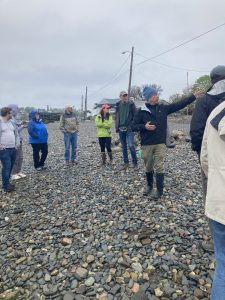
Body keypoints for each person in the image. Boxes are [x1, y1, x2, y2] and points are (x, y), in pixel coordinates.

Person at [133, 86, 202, 199]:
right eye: (155, 95)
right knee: (148, 166)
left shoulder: (163, 108)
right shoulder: (141, 111)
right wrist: (144, 127)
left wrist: (194, 96)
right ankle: (149, 185)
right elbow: (133, 126)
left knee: (159, 166)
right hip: (146, 144)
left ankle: (159, 191)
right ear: (149, 97)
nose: (157, 96)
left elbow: (179, 104)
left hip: (160, 143)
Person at [190, 65, 225, 251]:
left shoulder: (205, 101)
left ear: (213, 80)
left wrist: (199, 151)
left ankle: (216, 240)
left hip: (213, 159)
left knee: (213, 195)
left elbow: (196, 131)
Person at [200, 101, 225, 299]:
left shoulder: (216, 111)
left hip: (218, 203)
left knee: (223, 267)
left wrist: (218, 181)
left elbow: (205, 159)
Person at [115, 91, 138, 169]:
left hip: (129, 128)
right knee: (124, 146)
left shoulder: (131, 104)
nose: (124, 97)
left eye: (125, 95)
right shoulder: (118, 105)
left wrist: (132, 125)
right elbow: (117, 117)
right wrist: (116, 126)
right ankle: (126, 163)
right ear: (120, 97)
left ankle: (135, 163)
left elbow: (136, 116)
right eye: (123, 96)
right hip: (120, 128)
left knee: (131, 145)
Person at [0, 107, 19, 192]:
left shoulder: (11, 122)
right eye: (11, 113)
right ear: (7, 114)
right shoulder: (0, 123)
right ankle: (5, 185)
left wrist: (16, 145)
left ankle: (7, 182)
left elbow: (15, 133)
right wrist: (1, 147)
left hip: (13, 148)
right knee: (6, 167)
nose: (12, 114)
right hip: (4, 150)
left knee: (10, 166)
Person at [8, 104, 26, 180]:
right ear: (12, 110)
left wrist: (20, 123)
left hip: (19, 140)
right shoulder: (10, 119)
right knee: (15, 157)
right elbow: (15, 131)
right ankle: (13, 173)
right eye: (16, 109)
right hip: (15, 141)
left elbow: (16, 125)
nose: (17, 111)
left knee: (20, 157)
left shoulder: (14, 119)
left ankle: (18, 171)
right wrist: (22, 126)